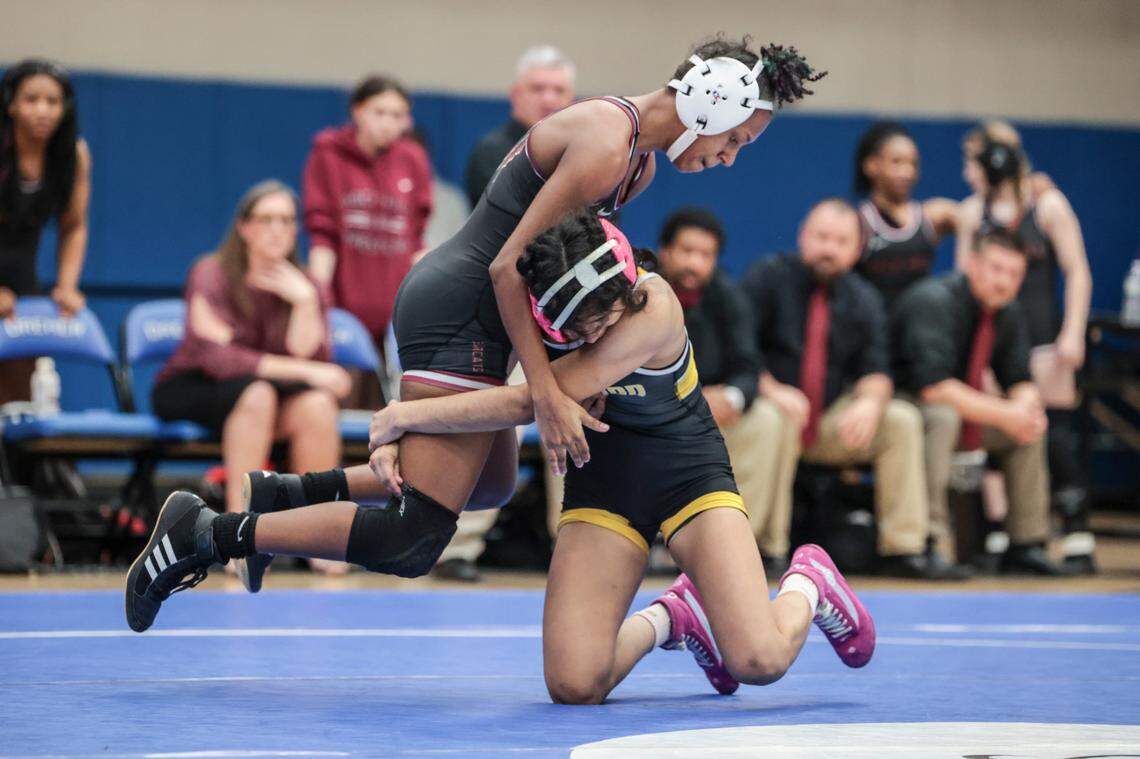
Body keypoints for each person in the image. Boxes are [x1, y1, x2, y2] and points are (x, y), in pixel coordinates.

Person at [126, 212, 875, 710]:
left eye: (602, 318)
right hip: (603, 487)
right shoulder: (545, 305)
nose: (594, 332)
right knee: (575, 684)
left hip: (688, 476)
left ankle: (808, 582)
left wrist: (403, 414)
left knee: (758, 659)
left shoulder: (653, 306)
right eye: (576, 326)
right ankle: (671, 618)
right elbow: (509, 339)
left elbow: (526, 403)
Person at [740, 198, 965, 580]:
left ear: (857, 249)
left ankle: (903, 548)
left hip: (827, 419)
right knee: (775, 419)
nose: (829, 249)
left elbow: (876, 369)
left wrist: (870, 402)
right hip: (771, 409)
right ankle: (760, 548)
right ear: (803, 236)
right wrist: (774, 391)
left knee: (900, 420)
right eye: (822, 237)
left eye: (841, 241)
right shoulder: (767, 278)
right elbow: (740, 352)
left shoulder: (864, 298)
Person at [151, 180, 351, 575]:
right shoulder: (211, 273)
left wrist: (306, 303)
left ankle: (317, 539)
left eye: (287, 221)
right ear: (244, 228)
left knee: (317, 405)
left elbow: (314, 358)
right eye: (266, 220)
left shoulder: (307, 283)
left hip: (266, 396)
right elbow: (219, 358)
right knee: (258, 394)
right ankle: (237, 537)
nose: (277, 229)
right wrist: (308, 371)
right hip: (195, 386)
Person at [957, 122, 1095, 573]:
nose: (968, 172)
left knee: (1056, 435)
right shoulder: (972, 212)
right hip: (996, 346)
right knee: (1001, 431)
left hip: (1046, 340)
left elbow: (1076, 270)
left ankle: (1076, 533)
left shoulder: (1047, 204)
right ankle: (1003, 532)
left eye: (973, 162)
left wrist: (1072, 332)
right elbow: (964, 279)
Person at [892, 224, 1063, 575]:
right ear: (972, 264)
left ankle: (1026, 543)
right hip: (905, 404)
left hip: (961, 408)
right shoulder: (933, 301)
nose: (1004, 282)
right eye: (996, 269)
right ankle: (929, 541)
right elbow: (934, 388)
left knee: (1028, 428)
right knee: (943, 417)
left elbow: (1019, 378)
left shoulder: (1007, 311)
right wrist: (1007, 413)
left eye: (1014, 274)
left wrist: (1028, 408)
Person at [303, 74, 432, 406]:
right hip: (345, 309)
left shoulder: (413, 159)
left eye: (397, 115)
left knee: (392, 411)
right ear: (358, 111)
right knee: (340, 405)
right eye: (380, 112)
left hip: (396, 315)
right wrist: (318, 301)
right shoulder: (328, 153)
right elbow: (322, 236)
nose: (388, 123)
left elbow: (417, 239)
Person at [0, 59, 91, 402]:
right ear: (11, 104)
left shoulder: (73, 156)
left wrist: (67, 286)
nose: (43, 110)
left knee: (21, 387)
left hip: (22, 276)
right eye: (31, 99)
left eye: (52, 101)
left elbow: (74, 225)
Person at [851, 121, 957, 310]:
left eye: (913, 163)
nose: (907, 172)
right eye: (896, 162)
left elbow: (982, 216)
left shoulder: (933, 216)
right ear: (870, 165)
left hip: (920, 324)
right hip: (875, 326)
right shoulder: (858, 222)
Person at [464, 45, 576, 208]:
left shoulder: (580, 153)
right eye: (538, 89)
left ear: (571, 99)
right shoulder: (491, 152)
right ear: (516, 94)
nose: (549, 99)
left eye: (559, 91)